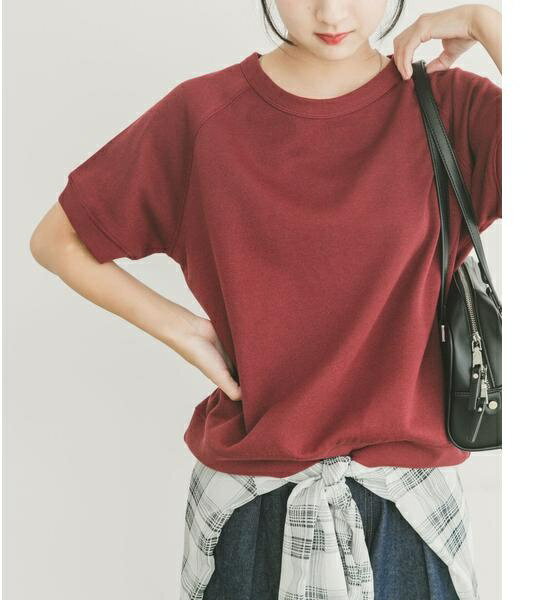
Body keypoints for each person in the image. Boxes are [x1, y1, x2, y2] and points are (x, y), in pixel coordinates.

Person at [30, 1, 501, 598]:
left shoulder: (452, 109)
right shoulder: (204, 116)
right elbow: (58, 240)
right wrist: (181, 329)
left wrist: (490, 25)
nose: (332, 11)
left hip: (409, 514)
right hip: (253, 511)